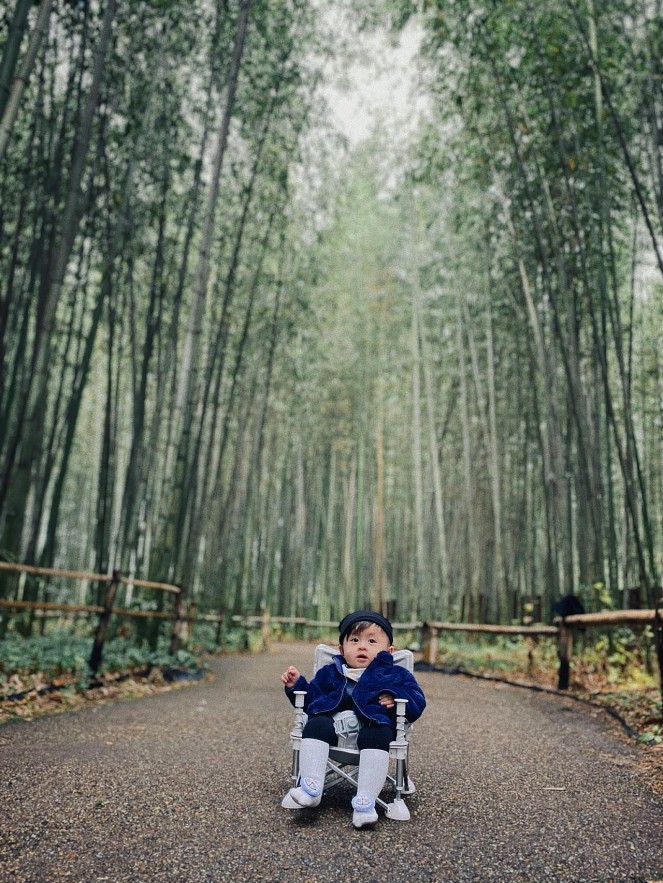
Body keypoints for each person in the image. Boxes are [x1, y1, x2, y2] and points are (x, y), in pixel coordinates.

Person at [280, 610, 426, 828]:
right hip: (333, 731)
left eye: (372, 641)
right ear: (341, 649)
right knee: (316, 723)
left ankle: (365, 802)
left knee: (378, 733)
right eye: (355, 640)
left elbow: (417, 699)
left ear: (389, 651)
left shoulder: (395, 675)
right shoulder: (331, 672)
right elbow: (311, 699)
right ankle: (311, 786)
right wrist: (296, 686)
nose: (362, 646)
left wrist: (397, 697)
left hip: (373, 726)